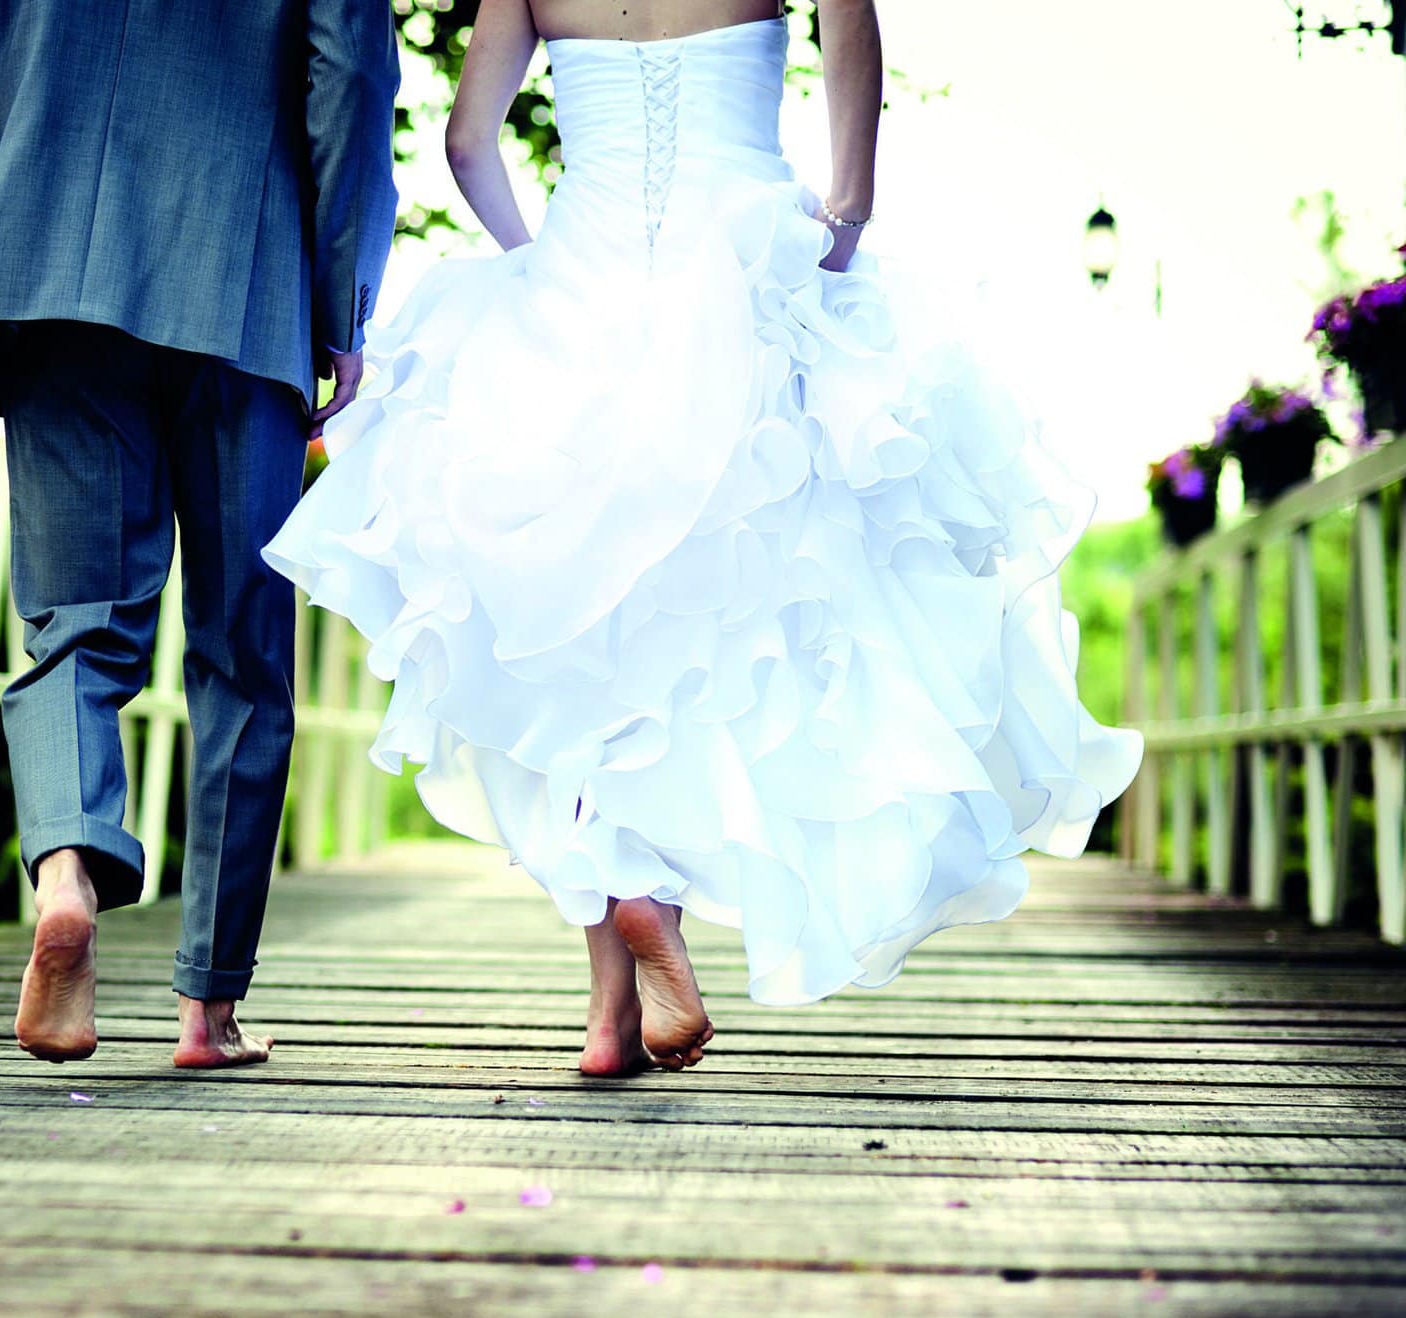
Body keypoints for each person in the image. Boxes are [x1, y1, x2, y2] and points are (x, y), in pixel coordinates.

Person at [264, 0, 1144, 1075]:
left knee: (582, 643)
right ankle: (636, 939)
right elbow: (849, 24)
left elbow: (465, 141)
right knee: (709, 648)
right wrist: (848, 209)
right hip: (743, 276)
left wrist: (528, 259)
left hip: (579, 290)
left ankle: (611, 1001)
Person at [0, 1, 400, 1068]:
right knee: (242, 656)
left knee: (78, 626)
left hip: (45, 266)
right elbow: (347, 75)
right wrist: (342, 305)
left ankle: (67, 871)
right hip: (246, 284)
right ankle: (207, 1008)